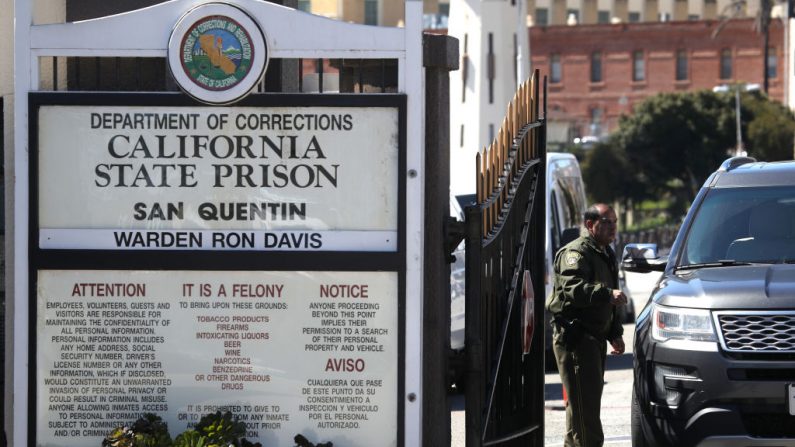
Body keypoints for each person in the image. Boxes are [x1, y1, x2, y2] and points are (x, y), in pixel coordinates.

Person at [546, 203, 627, 447]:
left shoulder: (605, 253)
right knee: (586, 413)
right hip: (576, 340)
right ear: (590, 225)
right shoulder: (576, 253)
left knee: (581, 408)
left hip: (594, 339)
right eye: (606, 222)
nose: (612, 227)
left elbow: (609, 305)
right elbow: (572, 290)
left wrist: (615, 333)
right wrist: (606, 293)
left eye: (614, 221)